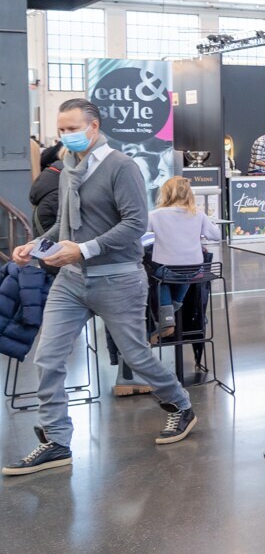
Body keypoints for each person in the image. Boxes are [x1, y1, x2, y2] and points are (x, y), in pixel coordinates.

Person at [5, 99, 198, 475]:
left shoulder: (121, 167)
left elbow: (135, 223)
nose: (65, 136)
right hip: (72, 280)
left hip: (119, 278)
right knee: (48, 359)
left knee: (137, 356)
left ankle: (180, 405)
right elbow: (65, 223)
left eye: (72, 128)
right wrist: (38, 244)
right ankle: (57, 442)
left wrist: (84, 249)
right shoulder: (67, 171)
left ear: (93, 127)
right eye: (61, 130)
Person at [147, 176, 221, 343]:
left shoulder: (155, 215)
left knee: (154, 274)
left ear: (165, 194)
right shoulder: (199, 215)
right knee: (185, 271)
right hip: (192, 271)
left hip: (166, 271)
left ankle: (166, 322)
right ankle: (172, 311)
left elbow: (136, 232)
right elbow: (216, 236)